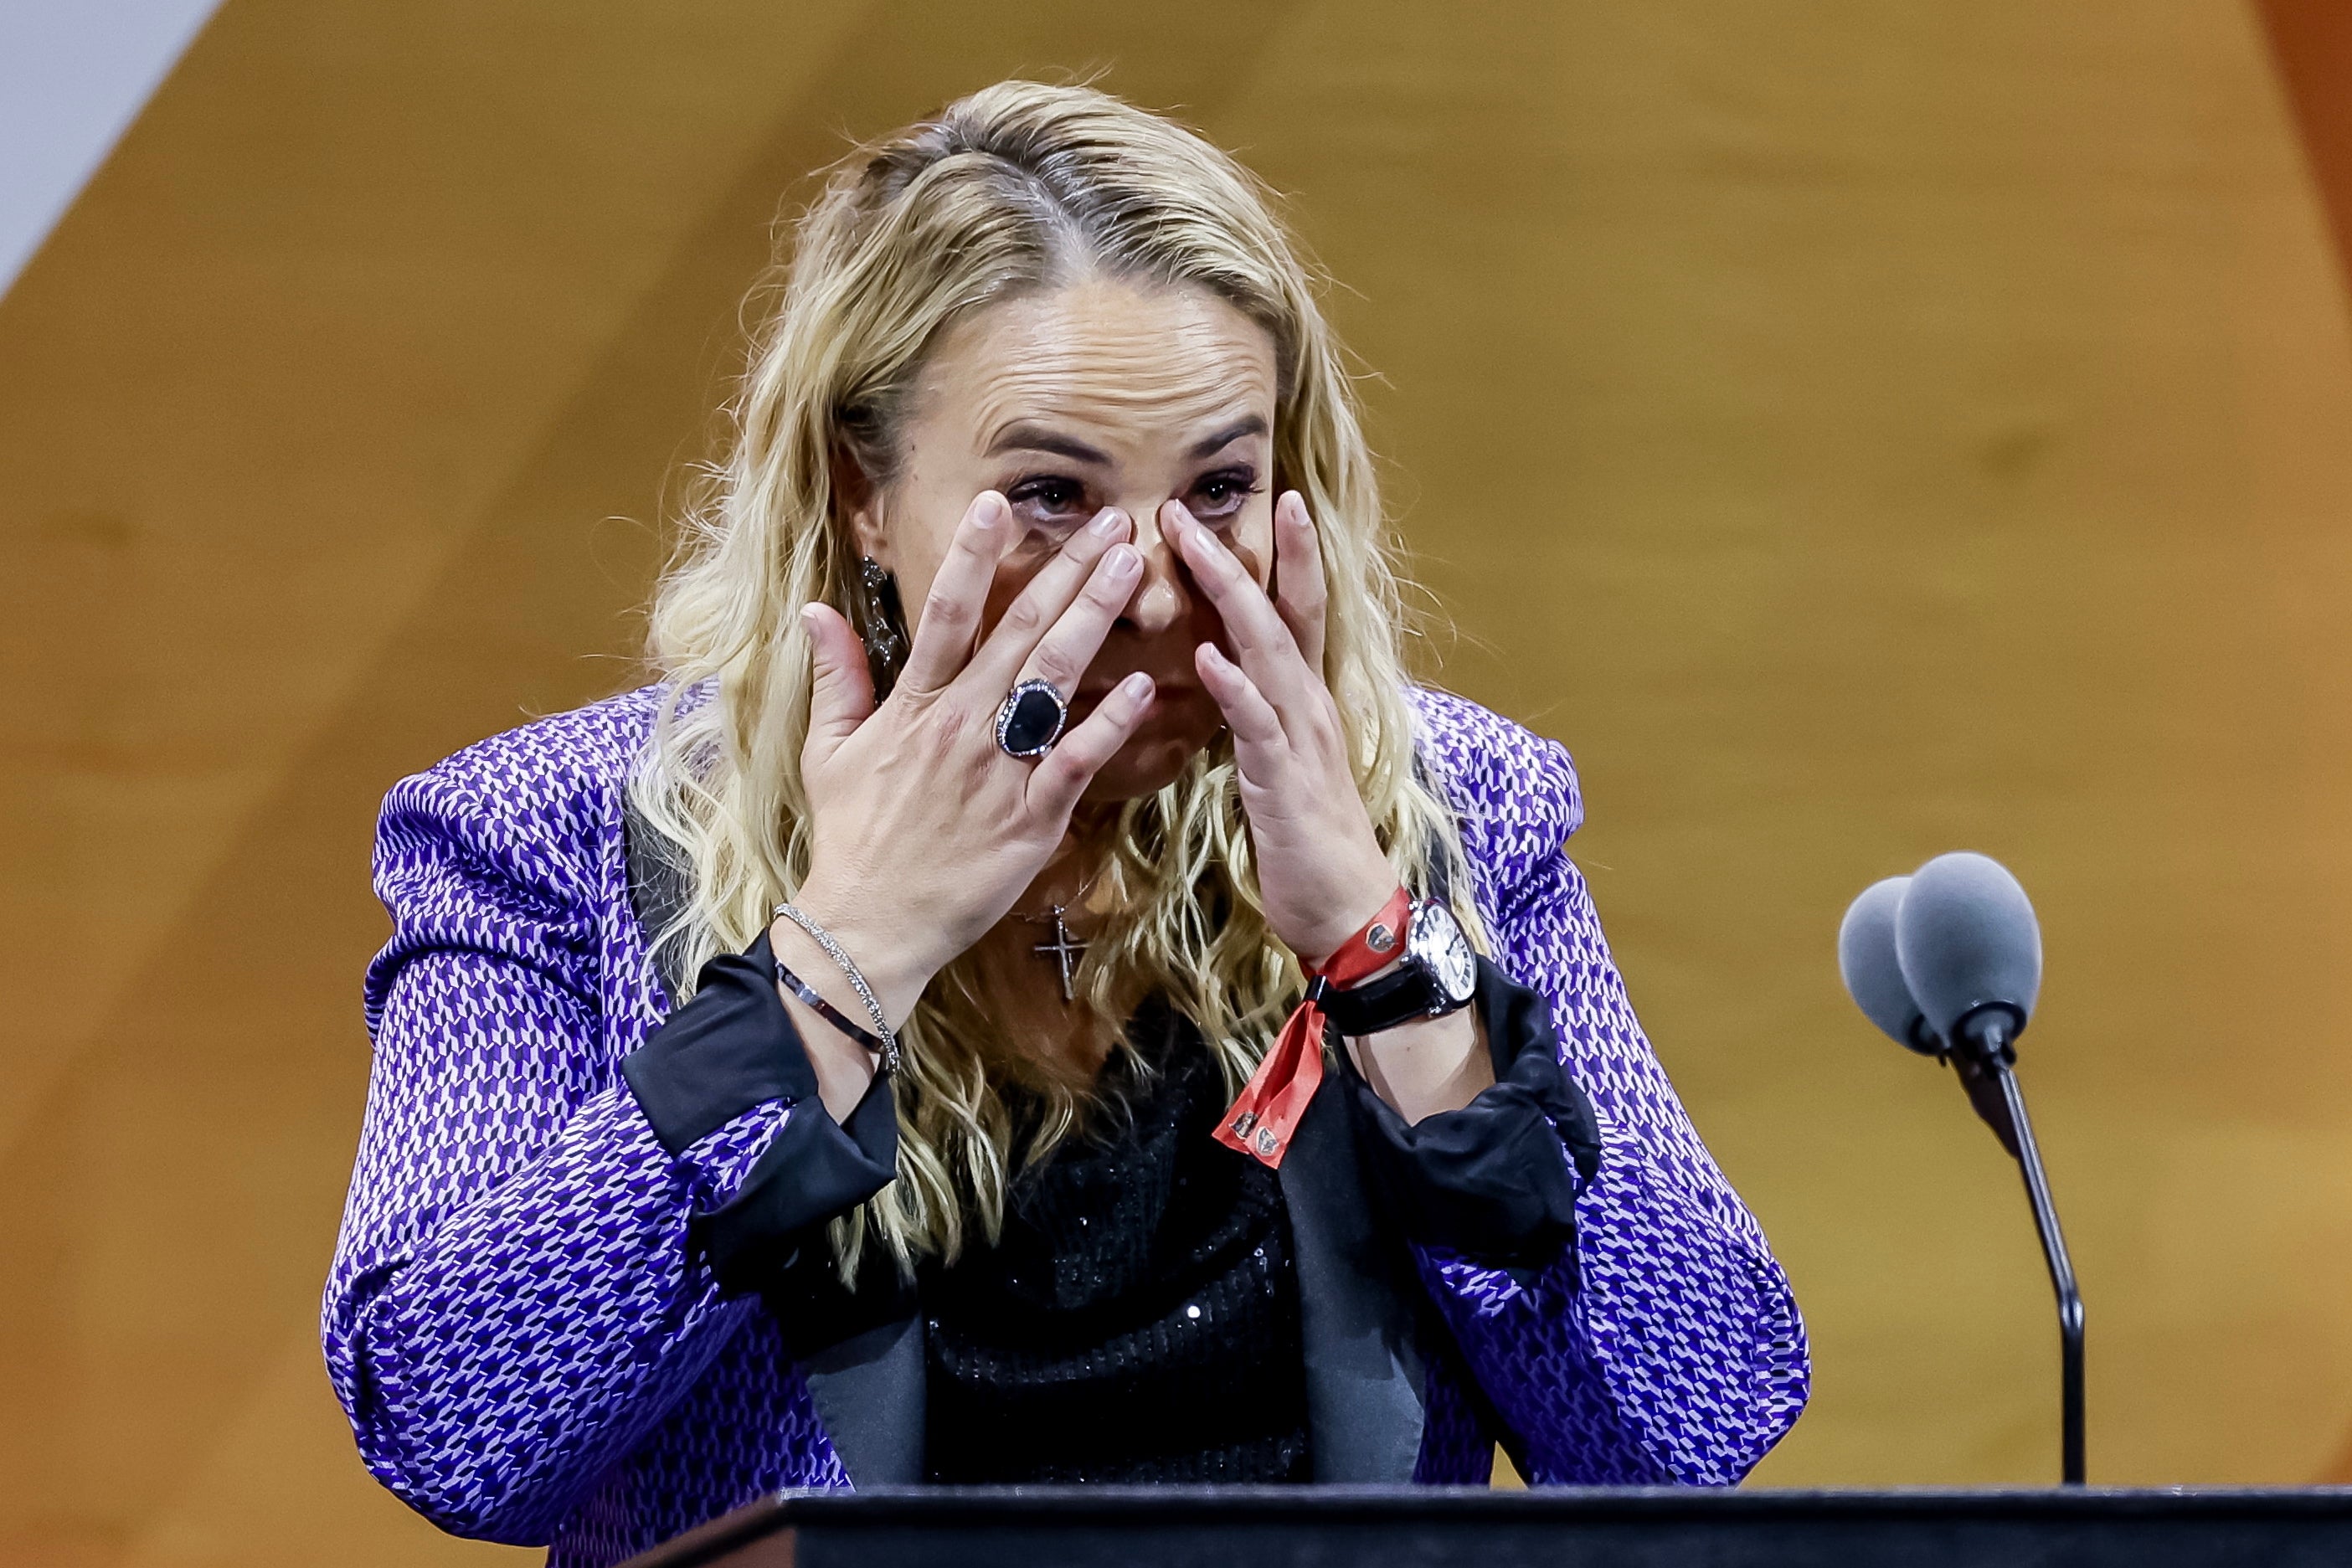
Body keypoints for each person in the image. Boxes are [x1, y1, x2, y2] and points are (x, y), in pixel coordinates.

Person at [322, 80, 1808, 1568]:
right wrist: (840, 964)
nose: (1154, 591)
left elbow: (1687, 1425)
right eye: (1051, 494)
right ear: (860, 490)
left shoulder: (1451, 812)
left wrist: (1384, 964)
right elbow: (459, 1431)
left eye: (1220, 486)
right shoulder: (543, 838)